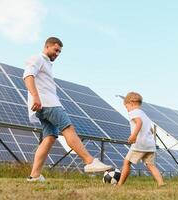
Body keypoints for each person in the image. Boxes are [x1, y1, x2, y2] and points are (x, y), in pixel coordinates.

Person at [23, 37, 112, 182]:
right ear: (47, 47)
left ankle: (34, 175)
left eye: (59, 52)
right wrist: (36, 97)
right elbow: (27, 76)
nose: (57, 54)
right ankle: (89, 161)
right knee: (68, 128)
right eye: (55, 50)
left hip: (44, 105)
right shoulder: (38, 58)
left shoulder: (46, 64)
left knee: (49, 138)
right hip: (48, 104)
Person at [117, 92, 164, 186]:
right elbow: (150, 129)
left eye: (126, 107)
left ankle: (119, 185)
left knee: (126, 162)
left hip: (140, 144)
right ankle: (161, 183)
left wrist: (134, 135)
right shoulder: (143, 114)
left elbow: (139, 123)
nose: (127, 110)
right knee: (151, 165)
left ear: (131, 103)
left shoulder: (132, 113)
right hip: (150, 144)